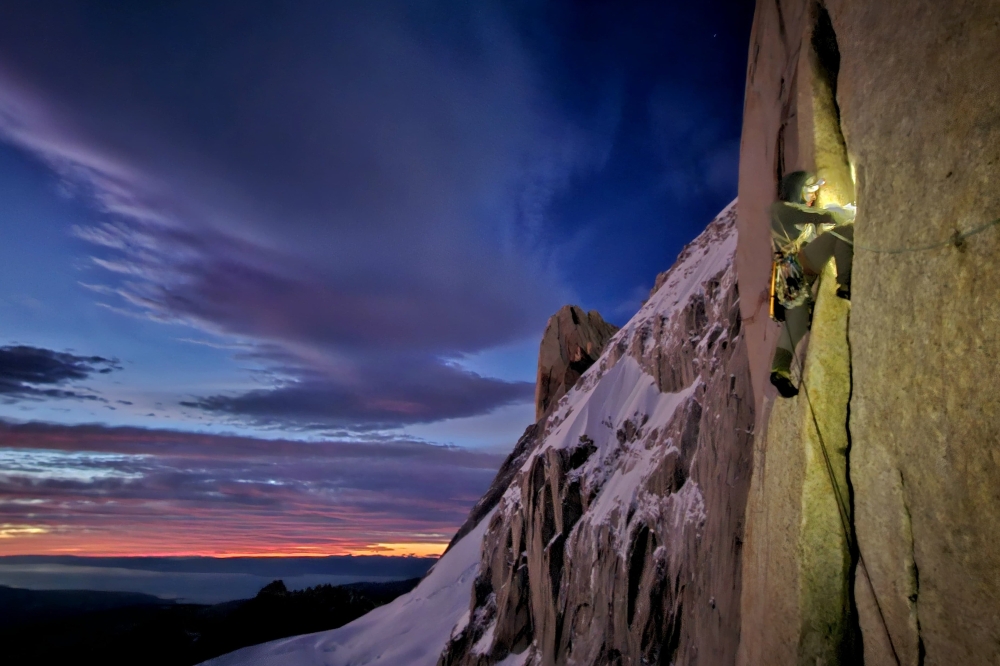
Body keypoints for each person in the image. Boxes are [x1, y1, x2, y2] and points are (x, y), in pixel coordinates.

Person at [769, 171, 855, 398]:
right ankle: (845, 285)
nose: (811, 193)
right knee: (843, 234)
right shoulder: (781, 210)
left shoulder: (784, 214)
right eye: (806, 189)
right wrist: (847, 212)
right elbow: (820, 216)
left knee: (795, 325)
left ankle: (780, 370)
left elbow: (809, 214)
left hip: (787, 277)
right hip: (798, 265)